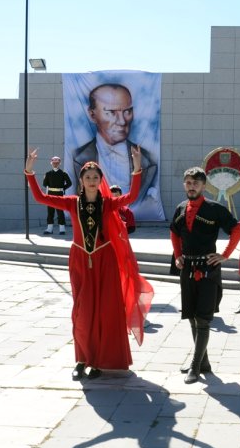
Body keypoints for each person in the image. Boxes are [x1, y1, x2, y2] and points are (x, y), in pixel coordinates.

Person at [24, 147, 153, 381]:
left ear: (100, 181)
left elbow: (132, 196)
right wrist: (30, 172)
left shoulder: (109, 203)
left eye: (95, 177)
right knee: (82, 312)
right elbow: (40, 198)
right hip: (80, 259)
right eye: (87, 177)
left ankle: (99, 362)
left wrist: (136, 167)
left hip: (106, 260)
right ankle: (82, 359)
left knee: (106, 311)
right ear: (81, 181)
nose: (92, 181)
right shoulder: (72, 203)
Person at [170, 167, 240, 384]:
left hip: (208, 269)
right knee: (192, 317)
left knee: (202, 319)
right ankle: (203, 362)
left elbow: (237, 229)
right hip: (187, 268)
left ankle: (195, 366)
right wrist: (177, 256)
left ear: (203, 186)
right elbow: (174, 232)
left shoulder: (215, 209)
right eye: (188, 182)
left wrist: (224, 255)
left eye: (195, 183)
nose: (191, 186)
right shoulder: (180, 208)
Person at [72, 83, 161, 218]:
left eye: (127, 111)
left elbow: (133, 197)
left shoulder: (148, 160)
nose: (122, 121)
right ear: (92, 114)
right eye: (111, 112)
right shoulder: (78, 158)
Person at [42, 155, 72, 235]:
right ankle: (49, 229)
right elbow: (45, 184)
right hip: (50, 195)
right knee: (50, 212)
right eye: (54, 163)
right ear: (51, 163)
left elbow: (69, 183)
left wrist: (63, 188)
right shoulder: (48, 174)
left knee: (60, 211)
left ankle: (62, 229)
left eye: (57, 163)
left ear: (59, 163)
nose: (55, 164)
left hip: (59, 194)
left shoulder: (63, 173)